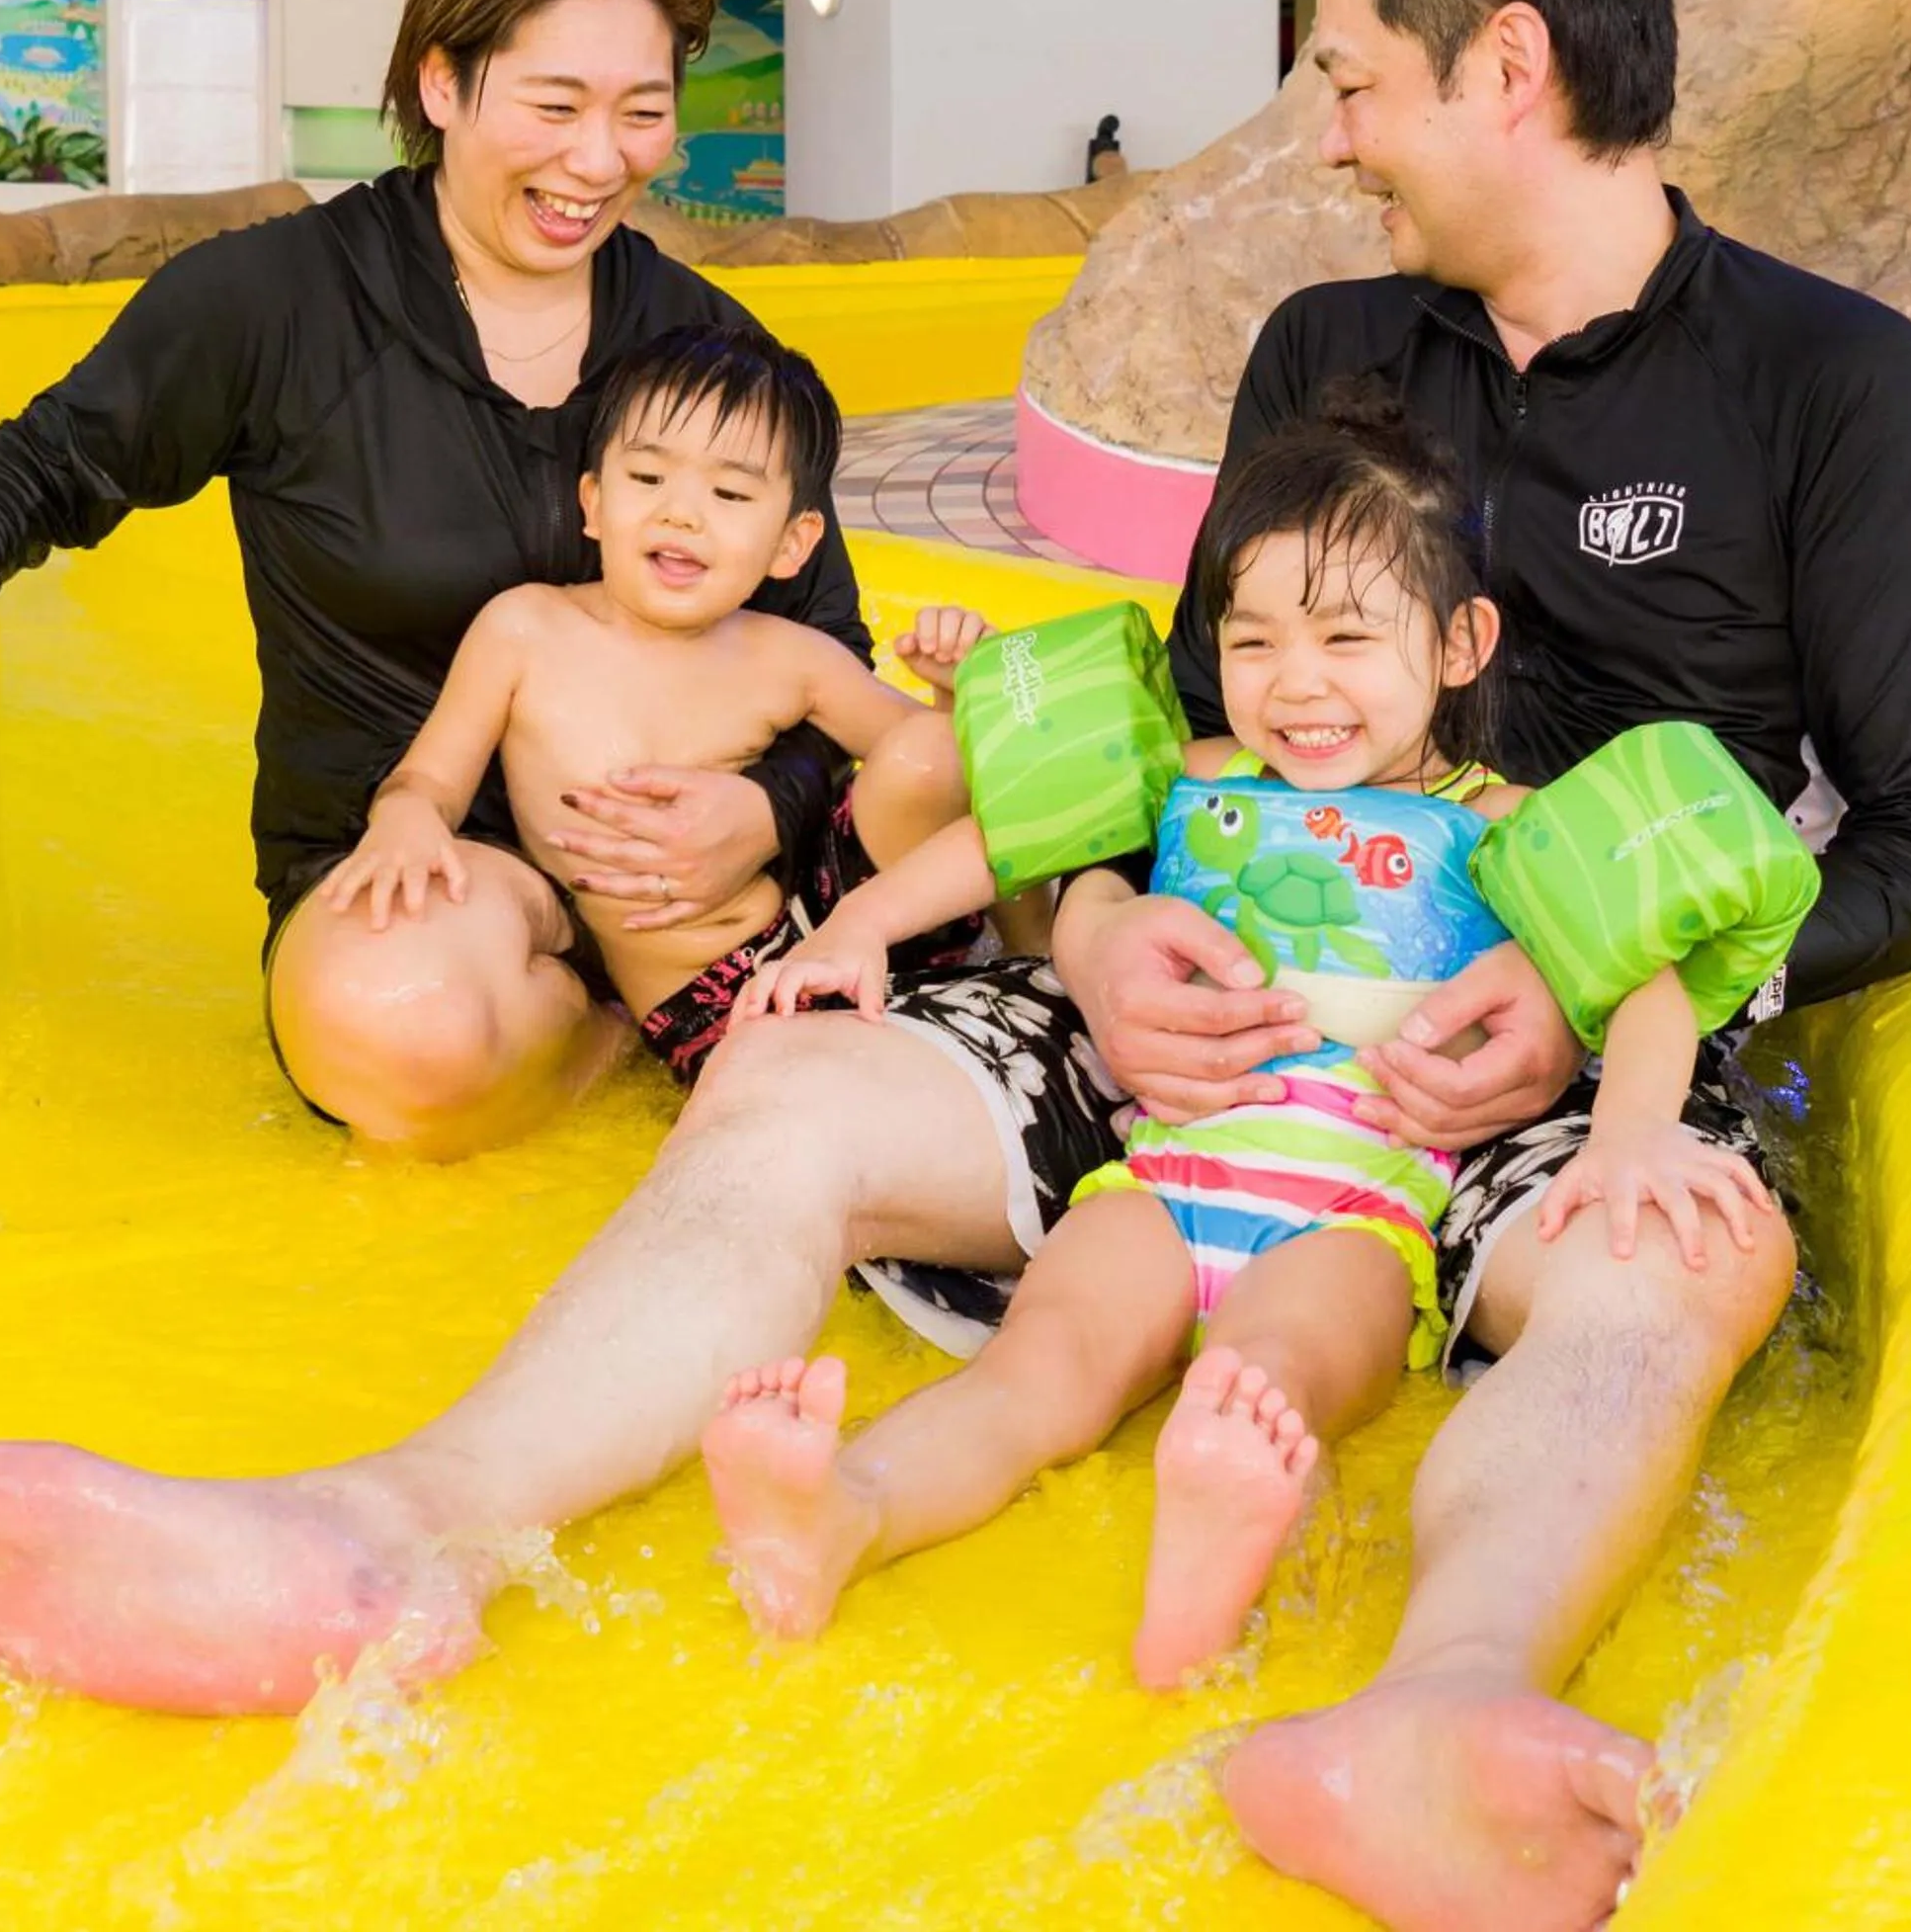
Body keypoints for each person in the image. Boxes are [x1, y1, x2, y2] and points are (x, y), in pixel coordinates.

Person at [0, 0, 1911, 1931]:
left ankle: (1439, 1711)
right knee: (789, 1083)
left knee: (1672, 1269)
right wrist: (1091, 928)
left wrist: (1586, 1004)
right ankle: (399, 1530)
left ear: (1509, 68)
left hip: (1544, 1057)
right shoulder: (1329, 350)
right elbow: (1169, 736)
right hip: (1210, 996)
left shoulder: (1830, 383)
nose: (1336, 133)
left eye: (1353, 76)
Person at [0, 0, 871, 1154]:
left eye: (643, 112)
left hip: (682, 872)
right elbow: (60, 457)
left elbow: (830, 642)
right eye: (554, 104)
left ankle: (650, 998)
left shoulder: (704, 346)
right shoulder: (282, 302)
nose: (600, 159)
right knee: (396, 1027)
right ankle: (596, 1042)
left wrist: (767, 811)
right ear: (440, 85)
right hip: (408, 864)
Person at [706, 400, 1791, 1690]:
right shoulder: (1196, 771)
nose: (1298, 682)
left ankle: (1205, 1588)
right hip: (1164, 1177)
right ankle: (848, 1511)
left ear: (1459, 642)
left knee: (1266, 1381)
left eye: (1347, 636)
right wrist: (860, 930)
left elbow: (1650, 968)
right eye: (1256, 638)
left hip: (1356, 1210)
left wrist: (1630, 1140)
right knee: (1039, 1367)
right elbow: (1021, 838)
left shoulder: (1505, 819)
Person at [317, 320, 994, 1081]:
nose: (681, 513)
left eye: (730, 492)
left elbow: (949, 775)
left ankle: (1003, 957)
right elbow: (431, 778)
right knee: (801, 1098)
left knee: (932, 752)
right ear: (594, 503)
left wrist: (951, 693)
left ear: (791, 546)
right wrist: (404, 818)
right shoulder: (525, 630)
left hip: (846, 923)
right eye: (647, 480)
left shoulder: (788, 655)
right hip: (715, 1000)